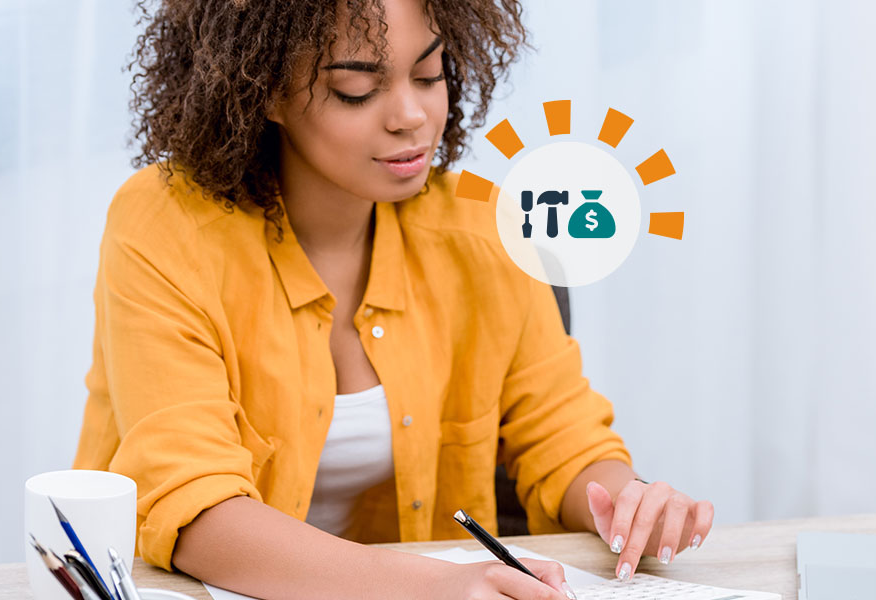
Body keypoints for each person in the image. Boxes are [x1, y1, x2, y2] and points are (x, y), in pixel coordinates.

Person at [72, 0, 713, 598]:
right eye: (358, 88)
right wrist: (435, 587)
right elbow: (199, 512)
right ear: (263, 89)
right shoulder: (164, 226)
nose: (410, 116)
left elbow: (563, 439)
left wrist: (628, 498)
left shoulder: (482, 230)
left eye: (429, 74)